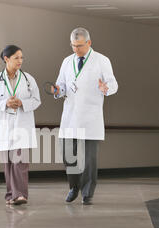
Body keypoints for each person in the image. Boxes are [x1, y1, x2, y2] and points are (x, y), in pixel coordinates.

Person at [52, 27, 118, 205]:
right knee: (68, 156)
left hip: (91, 117)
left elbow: (113, 84)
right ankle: (74, 186)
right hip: (70, 116)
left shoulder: (101, 61)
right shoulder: (67, 61)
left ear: (89, 42)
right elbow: (62, 85)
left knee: (89, 160)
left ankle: (87, 193)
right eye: (73, 45)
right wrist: (57, 90)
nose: (76, 49)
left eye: (79, 45)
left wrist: (106, 88)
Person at [0, 45, 41, 206]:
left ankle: (21, 195)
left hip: (22, 126)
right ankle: (11, 195)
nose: (20, 61)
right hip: (5, 126)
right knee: (8, 163)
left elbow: (37, 100)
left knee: (20, 162)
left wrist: (21, 102)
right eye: (16, 57)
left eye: (22, 57)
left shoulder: (28, 79)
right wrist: (5, 103)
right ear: (6, 59)